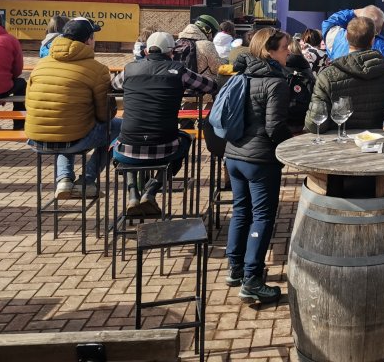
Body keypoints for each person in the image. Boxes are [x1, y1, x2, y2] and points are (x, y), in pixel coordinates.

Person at [111, 32, 218, 215]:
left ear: (145, 51)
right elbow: (210, 86)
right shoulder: (179, 71)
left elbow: (114, 85)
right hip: (165, 146)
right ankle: (151, 190)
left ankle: (132, 194)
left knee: (124, 146)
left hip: (126, 147)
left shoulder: (129, 69)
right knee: (185, 139)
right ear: (172, 52)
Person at [224, 27, 292, 305]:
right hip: (260, 159)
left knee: (241, 210)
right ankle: (252, 279)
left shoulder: (242, 74)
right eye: (285, 47)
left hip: (234, 154)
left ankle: (235, 268)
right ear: (269, 51)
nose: (288, 51)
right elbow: (275, 127)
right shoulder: (275, 82)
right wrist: (290, 145)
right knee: (262, 216)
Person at [24, 18, 122, 198]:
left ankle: (64, 179)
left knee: (68, 124)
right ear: (88, 40)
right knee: (119, 128)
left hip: (37, 138)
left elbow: (28, 103)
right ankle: (87, 181)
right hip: (74, 138)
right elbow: (104, 115)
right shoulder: (97, 69)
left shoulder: (40, 65)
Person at [304, 17, 384, 134]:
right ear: (372, 40)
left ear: (346, 38)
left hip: (334, 144)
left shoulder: (327, 76)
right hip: (374, 142)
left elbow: (315, 124)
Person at [322, 5, 384, 111]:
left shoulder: (337, 38)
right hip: (376, 121)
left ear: (356, 22)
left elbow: (330, 23)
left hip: (340, 115)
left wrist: (354, 12)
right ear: (383, 25)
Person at [0, 22, 26, 120]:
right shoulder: (11, 40)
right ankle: (19, 124)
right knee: (22, 83)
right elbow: (17, 70)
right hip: (2, 89)